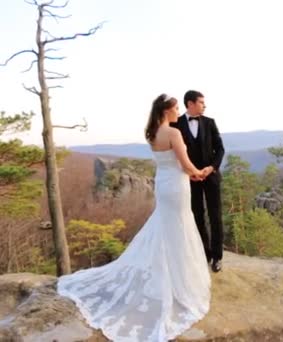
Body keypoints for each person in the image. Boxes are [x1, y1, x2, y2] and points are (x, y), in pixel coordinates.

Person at [57, 94, 211, 342]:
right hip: (177, 186)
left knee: (166, 225)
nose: (178, 112)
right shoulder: (173, 133)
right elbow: (184, 164)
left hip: (163, 183)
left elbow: (170, 163)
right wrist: (200, 172)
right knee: (179, 226)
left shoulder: (151, 133)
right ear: (167, 110)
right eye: (175, 109)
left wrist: (190, 172)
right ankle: (178, 281)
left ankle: (168, 272)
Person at [170, 90, 225, 272]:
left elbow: (220, 149)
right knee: (196, 216)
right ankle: (204, 253)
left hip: (211, 177)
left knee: (215, 216)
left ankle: (217, 257)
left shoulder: (210, 123)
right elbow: (173, 154)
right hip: (188, 178)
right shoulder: (175, 124)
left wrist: (211, 168)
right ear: (190, 103)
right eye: (201, 102)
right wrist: (189, 172)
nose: (204, 105)